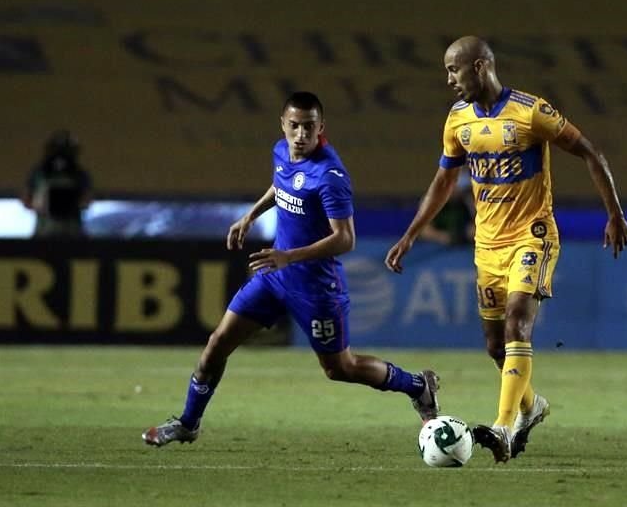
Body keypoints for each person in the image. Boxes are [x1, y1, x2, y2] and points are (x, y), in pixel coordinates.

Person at [385, 36, 627, 463]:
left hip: (531, 235)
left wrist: (614, 213)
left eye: (453, 69)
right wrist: (410, 233)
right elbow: (444, 180)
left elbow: (590, 152)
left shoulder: (531, 112)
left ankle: (501, 428)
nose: (448, 80)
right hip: (487, 246)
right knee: (495, 347)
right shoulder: (457, 120)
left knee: (518, 323)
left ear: (480, 67)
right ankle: (531, 406)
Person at [142, 92, 439, 447]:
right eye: (294, 126)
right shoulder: (281, 151)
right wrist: (250, 215)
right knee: (217, 343)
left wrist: (290, 256)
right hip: (275, 276)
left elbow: (345, 239)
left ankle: (417, 385)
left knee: (339, 369)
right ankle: (189, 423)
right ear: (283, 125)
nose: (300, 134)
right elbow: (280, 184)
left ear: (321, 128)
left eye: (309, 127)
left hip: (315, 286)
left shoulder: (330, 176)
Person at [21, 129, 93, 238]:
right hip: (45, 231)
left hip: (71, 231)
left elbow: (86, 201)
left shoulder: (79, 174)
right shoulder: (39, 174)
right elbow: (26, 201)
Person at [419, 168, 475, 246]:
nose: (459, 192)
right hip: (436, 248)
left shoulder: (467, 200)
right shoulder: (432, 200)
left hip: (462, 247)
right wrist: (441, 236)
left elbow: (476, 228)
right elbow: (424, 231)